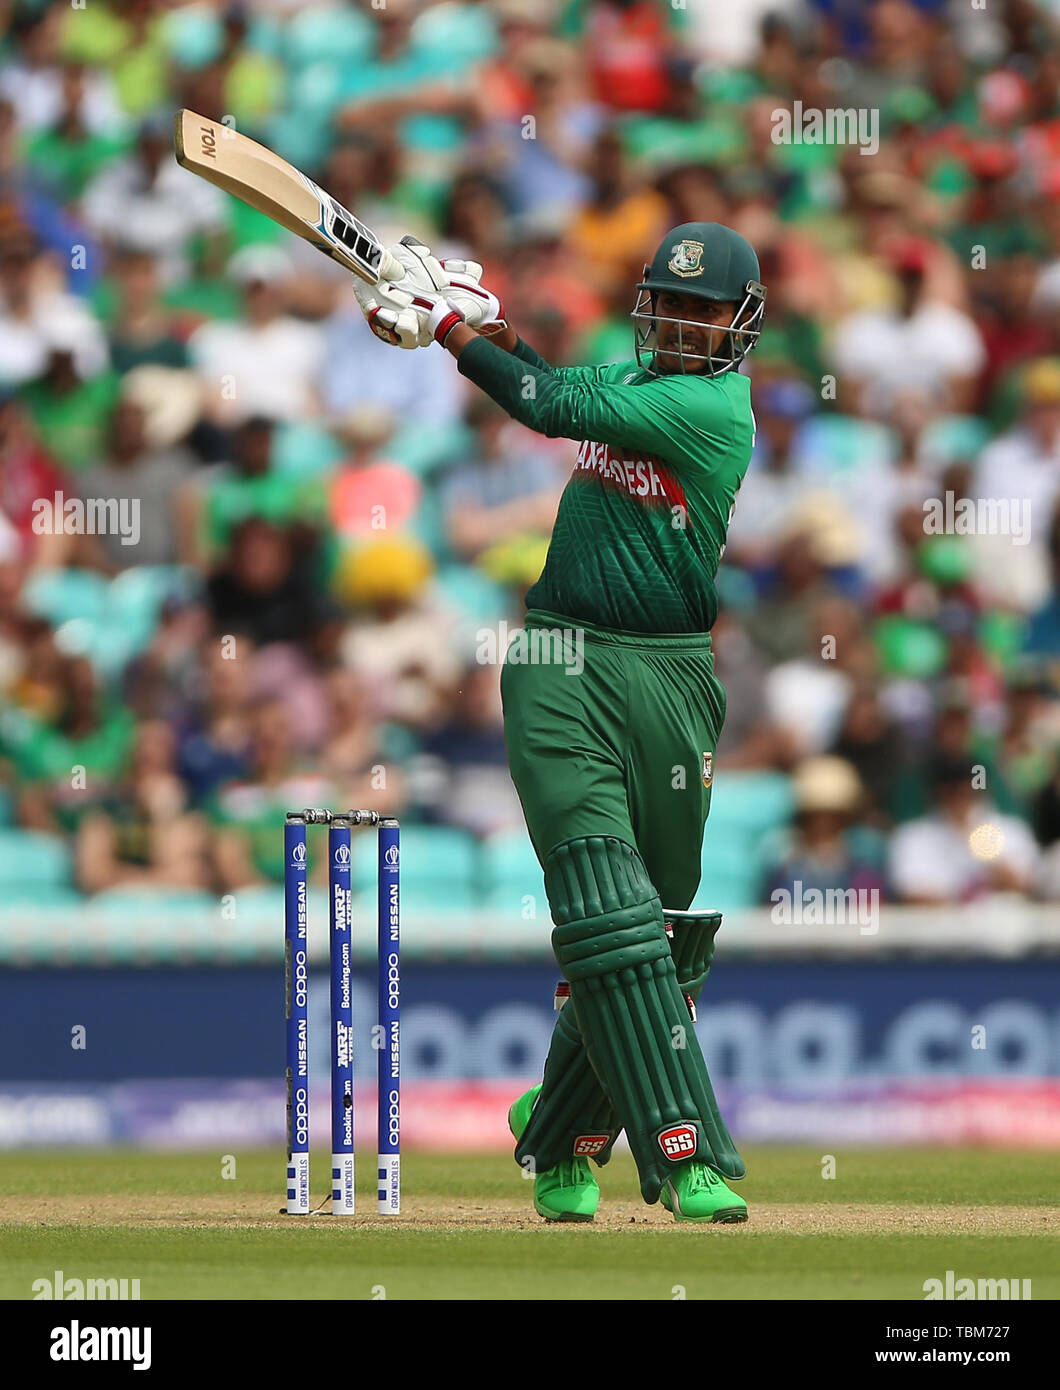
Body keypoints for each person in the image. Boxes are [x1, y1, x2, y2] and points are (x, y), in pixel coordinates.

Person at [352, 223, 765, 1224]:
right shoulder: (639, 378)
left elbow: (544, 406)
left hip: (671, 675)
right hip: (556, 656)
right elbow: (549, 385)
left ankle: (561, 1137)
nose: (677, 324)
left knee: (656, 936)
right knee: (604, 901)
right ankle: (685, 1154)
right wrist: (486, 329)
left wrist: (453, 328)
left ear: (739, 329)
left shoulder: (710, 408)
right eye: (666, 304)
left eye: (700, 312)